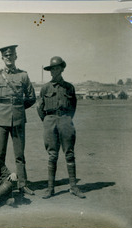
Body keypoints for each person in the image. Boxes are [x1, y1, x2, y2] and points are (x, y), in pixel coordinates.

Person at [0, 45, 36, 196]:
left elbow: (31, 97)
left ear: (15, 57)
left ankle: (22, 184)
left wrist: (18, 108)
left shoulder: (23, 75)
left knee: (19, 154)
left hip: (18, 119)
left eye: (11, 55)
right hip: (1, 118)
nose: (9, 58)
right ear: (2, 58)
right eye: (6, 56)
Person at [37, 56, 85, 199]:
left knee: (69, 153)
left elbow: (73, 106)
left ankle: (73, 187)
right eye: (51, 69)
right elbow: (39, 107)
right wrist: (47, 120)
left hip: (65, 119)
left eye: (56, 68)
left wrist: (67, 119)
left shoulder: (69, 87)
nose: (53, 71)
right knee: (52, 154)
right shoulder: (45, 88)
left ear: (62, 69)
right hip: (49, 120)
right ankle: (50, 189)